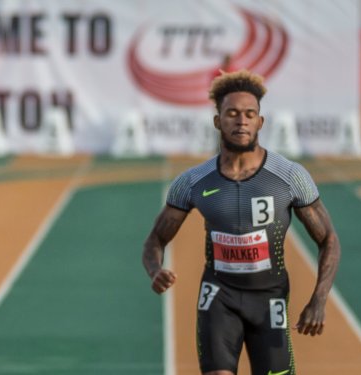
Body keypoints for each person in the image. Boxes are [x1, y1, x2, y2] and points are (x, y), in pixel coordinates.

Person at [142, 70, 341, 375]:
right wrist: (155, 270)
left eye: (250, 114)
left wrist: (319, 299)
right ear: (217, 121)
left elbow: (328, 239)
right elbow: (156, 238)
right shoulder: (193, 181)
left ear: (261, 122)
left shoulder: (289, 177)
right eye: (232, 113)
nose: (241, 120)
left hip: (270, 300)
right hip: (218, 297)